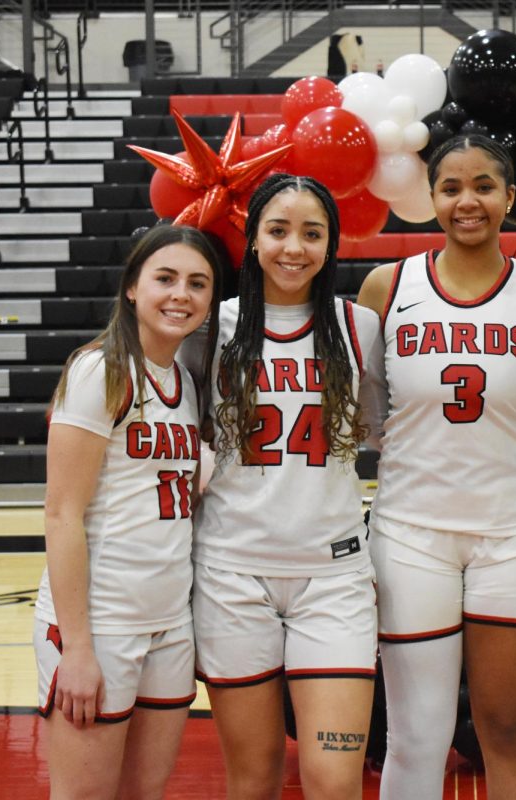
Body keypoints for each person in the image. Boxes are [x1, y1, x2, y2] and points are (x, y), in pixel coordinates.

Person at [355, 134, 516, 800]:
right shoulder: (387, 286)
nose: (467, 200)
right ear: (431, 200)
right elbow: (368, 414)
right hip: (411, 532)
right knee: (416, 734)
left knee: (511, 729)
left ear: (509, 196)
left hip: (514, 534)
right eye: (451, 187)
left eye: (483, 185)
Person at [190, 173, 384, 800]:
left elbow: (379, 432)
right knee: (252, 778)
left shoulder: (359, 328)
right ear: (252, 238)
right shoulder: (209, 328)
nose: (293, 247)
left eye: (311, 233)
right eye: (277, 230)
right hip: (231, 574)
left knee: (333, 780)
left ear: (331, 244)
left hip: (333, 578)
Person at [34, 224, 221, 798]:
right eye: (165, 278)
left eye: (197, 283)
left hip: (167, 625)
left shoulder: (186, 383)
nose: (180, 295)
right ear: (133, 289)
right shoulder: (99, 371)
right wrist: (81, 649)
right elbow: (62, 515)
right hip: (100, 625)